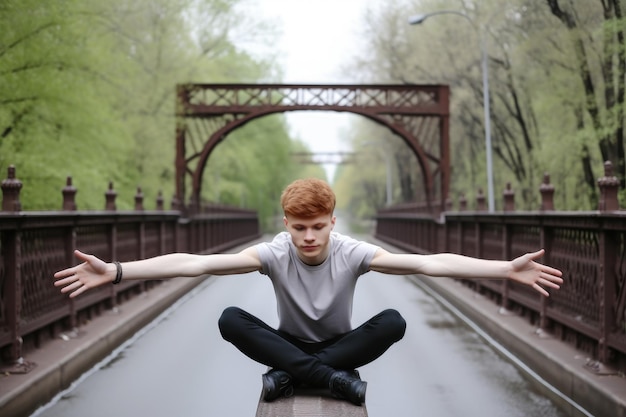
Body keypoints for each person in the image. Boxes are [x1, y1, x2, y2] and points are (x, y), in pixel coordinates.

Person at [53, 178, 563, 406]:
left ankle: (295, 378)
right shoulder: (275, 252)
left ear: (332, 222)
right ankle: (329, 380)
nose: (309, 237)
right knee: (230, 317)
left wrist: (503, 268)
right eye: (300, 228)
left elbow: (429, 264)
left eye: (318, 226)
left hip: (339, 347)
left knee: (394, 321)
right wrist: (117, 271)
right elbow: (196, 263)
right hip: (293, 346)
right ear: (287, 225)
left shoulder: (351, 251)